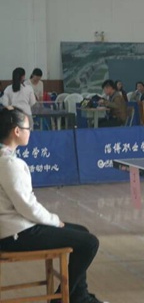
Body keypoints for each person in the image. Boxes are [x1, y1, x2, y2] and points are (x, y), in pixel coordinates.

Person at [0, 107, 107, 303]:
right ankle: (64, 299)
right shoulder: (8, 164)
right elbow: (27, 207)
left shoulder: (6, 159)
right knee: (89, 242)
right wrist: (55, 222)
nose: (30, 132)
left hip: (13, 229)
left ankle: (78, 296)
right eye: (28, 128)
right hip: (16, 234)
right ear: (16, 131)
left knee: (81, 232)